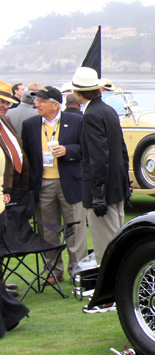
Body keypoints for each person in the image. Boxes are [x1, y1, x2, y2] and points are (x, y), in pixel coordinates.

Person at [22, 87, 86, 282]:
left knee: (75, 228)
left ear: (55, 104)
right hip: (43, 185)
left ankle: (78, 271)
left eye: (41, 101)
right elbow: (27, 155)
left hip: (71, 183)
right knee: (48, 230)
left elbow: (85, 147)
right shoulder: (30, 124)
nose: (37, 104)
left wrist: (68, 150)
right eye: (37, 101)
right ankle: (53, 272)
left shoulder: (76, 121)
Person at [71, 67, 130, 263]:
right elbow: (121, 149)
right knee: (117, 241)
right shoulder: (108, 110)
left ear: (78, 93)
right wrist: (125, 183)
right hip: (115, 186)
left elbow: (98, 156)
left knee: (106, 250)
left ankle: (113, 290)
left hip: (104, 190)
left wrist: (97, 193)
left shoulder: (92, 115)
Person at [0, 81, 29, 193]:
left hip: (16, 183)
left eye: (8, 103)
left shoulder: (5, 119)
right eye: (2, 102)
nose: (5, 107)